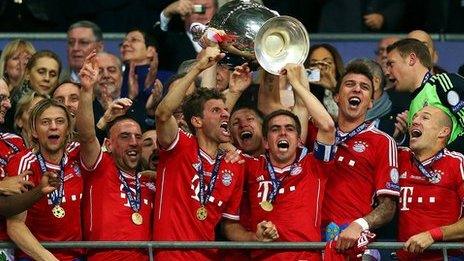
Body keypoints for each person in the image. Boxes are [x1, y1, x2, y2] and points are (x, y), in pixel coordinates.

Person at [154, 46, 276, 260]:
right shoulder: (179, 146)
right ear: (197, 121)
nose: (225, 115)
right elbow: (163, 113)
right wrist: (198, 68)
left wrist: (254, 237)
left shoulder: (233, 165)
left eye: (225, 110)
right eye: (216, 111)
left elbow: (229, 226)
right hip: (170, 256)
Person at [244, 63, 336, 260]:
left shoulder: (315, 166)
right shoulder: (251, 166)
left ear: (299, 140)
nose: (283, 132)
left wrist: (296, 82)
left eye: (290, 129)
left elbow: (327, 126)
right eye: (275, 129)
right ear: (266, 142)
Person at [77, 52, 155, 261]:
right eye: (125, 136)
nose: (133, 142)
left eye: (138, 137)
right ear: (108, 145)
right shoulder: (100, 168)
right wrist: (86, 90)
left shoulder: (149, 182)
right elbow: (86, 136)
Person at [319, 61, 399, 258]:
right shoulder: (320, 133)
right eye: (349, 84)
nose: (356, 89)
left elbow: (388, 206)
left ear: (370, 102)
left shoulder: (381, 141)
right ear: (336, 97)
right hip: (310, 237)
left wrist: (359, 225)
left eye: (364, 87)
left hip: (350, 240)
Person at [5, 98, 83, 261]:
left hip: (77, 256)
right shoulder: (23, 163)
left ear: (68, 128)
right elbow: (15, 225)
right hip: (35, 257)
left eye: (60, 121)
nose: (53, 126)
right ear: (34, 131)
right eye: (45, 122)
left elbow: (91, 139)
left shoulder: (78, 155)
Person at [397, 105, 464, 260]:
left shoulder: (457, 163)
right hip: (403, 257)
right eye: (414, 118)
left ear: (443, 132)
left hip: (447, 257)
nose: (415, 121)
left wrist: (433, 235)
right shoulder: (400, 157)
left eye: (424, 117)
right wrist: (395, 135)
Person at [387, 38, 464, 152]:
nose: (387, 72)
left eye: (391, 64)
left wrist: (444, 158)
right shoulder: (412, 105)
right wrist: (401, 138)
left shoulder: (443, 83)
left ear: (411, 59)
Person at [156, 0, 218, 71]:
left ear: (216, 11)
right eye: (197, 8)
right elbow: (157, 43)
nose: (201, 13)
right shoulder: (172, 41)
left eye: (205, 7)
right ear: (183, 15)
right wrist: (166, 13)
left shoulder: (224, 41)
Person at [304, 43, 345, 120]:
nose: (320, 67)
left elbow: (350, 116)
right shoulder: (301, 93)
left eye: (327, 63)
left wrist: (334, 88)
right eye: (314, 64)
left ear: (336, 66)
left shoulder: (346, 88)